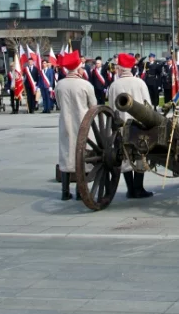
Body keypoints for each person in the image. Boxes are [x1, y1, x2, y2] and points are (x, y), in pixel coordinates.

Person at [106, 52, 154, 200]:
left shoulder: (114, 85)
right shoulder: (140, 83)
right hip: (139, 125)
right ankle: (138, 188)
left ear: (120, 68)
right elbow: (148, 105)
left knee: (124, 155)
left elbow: (112, 108)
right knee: (141, 154)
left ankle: (130, 189)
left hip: (122, 125)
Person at [55, 51, 96, 201]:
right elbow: (94, 106)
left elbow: (58, 103)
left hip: (65, 123)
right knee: (83, 155)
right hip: (83, 123)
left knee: (66, 154)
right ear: (78, 69)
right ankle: (81, 191)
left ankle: (65, 191)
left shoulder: (60, 85)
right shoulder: (85, 85)